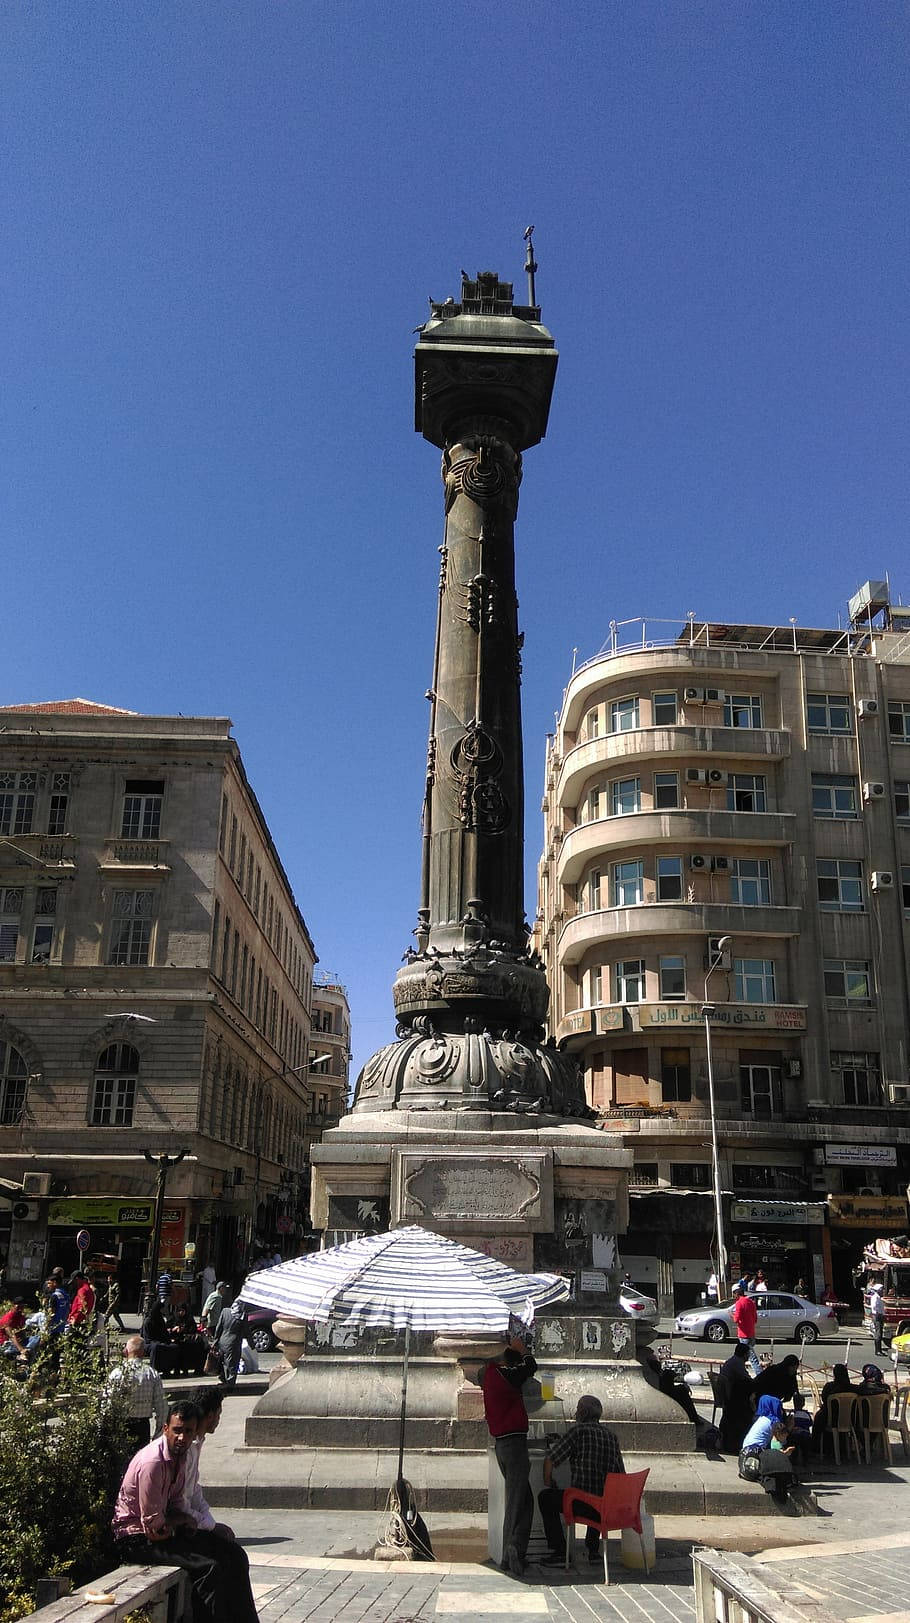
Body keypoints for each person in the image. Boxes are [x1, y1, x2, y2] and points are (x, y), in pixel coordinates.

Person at [111, 1400, 259, 1623]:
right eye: (177, 1431)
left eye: (188, 1432)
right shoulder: (153, 1461)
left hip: (165, 1531)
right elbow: (154, 1527)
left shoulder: (181, 1457)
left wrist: (191, 1523)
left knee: (234, 1555)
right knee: (210, 1567)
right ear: (165, 1429)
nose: (182, 1437)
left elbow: (180, 1505)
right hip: (136, 1539)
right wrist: (181, 1520)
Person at [538, 1394, 624, 1566]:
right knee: (599, 1492)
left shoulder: (577, 1432)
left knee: (545, 1498)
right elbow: (620, 1474)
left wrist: (548, 1480)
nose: (576, 1413)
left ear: (583, 1412)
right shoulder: (611, 1437)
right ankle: (593, 1550)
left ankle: (560, 1551)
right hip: (604, 1507)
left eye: (577, 1409)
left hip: (582, 1504)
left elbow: (551, 1459)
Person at [480, 1333, 538, 1577]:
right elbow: (531, 1365)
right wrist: (522, 1349)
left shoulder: (488, 1375)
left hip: (503, 1443)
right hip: (514, 1444)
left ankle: (514, 1551)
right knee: (517, 1502)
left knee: (524, 1500)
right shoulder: (507, 1376)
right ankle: (511, 1550)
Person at [179, 1387, 238, 1540]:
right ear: (210, 1416)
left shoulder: (197, 1443)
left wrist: (209, 1521)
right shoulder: (186, 1448)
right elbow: (180, 1501)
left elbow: (194, 1490)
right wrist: (210, 1526)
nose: (219, 1420)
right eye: (219, 1415)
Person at [105, 1335, 168, 1450]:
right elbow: (162, 1407)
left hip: (122, 1425)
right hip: (142, 1427)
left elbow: (108, 1403)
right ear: (143, 1352)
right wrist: (158, 1433)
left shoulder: (116, 1373)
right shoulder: (152, 1374)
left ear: (126, 1351)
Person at [640, 1347, 699, 1423]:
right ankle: (693, 1418)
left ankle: (693, 1418)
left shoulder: (653, 1367)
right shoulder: (650, 1368)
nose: (656, 1357)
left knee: (682, 1390)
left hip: (664, 1388)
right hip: (662, 1391)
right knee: (682, 1391)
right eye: (654, 1356)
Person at [717, 1342, 755, 1453]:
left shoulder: (733, 1361)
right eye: (747, 1354)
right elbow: (747, 1379)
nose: (748, 1356)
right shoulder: (737, 1363)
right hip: (731, 1399)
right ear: (744, 1354)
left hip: (728, 1395)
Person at [810, 1363, 856, 1450]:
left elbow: (824, 1400)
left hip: (831, 1420)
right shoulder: (852, 1388)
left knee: (818, 1416)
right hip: (849, 1419)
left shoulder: (829, 1387)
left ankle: (816, 1447)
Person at [739, 1395, 784, 1479]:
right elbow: (781, 1438)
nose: (781, 1411)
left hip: (745, 1449)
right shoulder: (773, 1421)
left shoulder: (761, 1418)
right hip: (755, 1451)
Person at [214, 1298, 248, 1388]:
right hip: (234, 1343)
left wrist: (216, 1340)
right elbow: (246, 1331)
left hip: (222, 1341)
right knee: (232, 1364)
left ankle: (224, 1379)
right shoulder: (242, 1315)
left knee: (224, 1362)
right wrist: (252, 1344)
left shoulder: (225, 1311)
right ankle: (230, 1384)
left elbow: (219, 1327)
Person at [731, 1286, 760, 1375]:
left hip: (743, 1334)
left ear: (737, 1294)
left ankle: (759, 1374)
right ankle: (743, 1373)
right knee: (746, 1356)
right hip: (751, 1333)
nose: (733, 1296)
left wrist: (731, 1315)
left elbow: (736, 1319)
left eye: (734, 1294)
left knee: (751, 1357)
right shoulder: (751, 1302)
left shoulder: (739, 1303)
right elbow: (755, 1319)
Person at [869, 1281, 886, 1356]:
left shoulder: (879, 1297)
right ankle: (877, 1351)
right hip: (877, 1316)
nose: (882, 1291)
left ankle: (880, 1350)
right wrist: (880, 1314)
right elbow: (874, 1308)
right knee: (878, 1333)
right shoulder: (875, 1297)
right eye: (881, 1289)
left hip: (880, 1316)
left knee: (880, 1333)